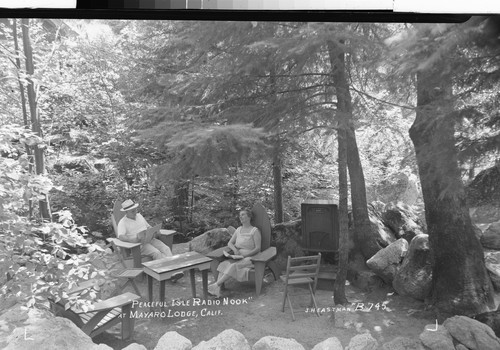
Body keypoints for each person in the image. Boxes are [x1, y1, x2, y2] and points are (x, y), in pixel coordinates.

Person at [117, 199, 183, 281]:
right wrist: (133, 238)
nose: (135, 213)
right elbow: (121, 237)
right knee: (157, 253)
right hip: (139, 244)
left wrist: (155, 231)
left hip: (151, 239)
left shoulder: (139, 216)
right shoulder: (122, 222)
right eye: (132, 211)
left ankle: (175, 271)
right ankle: (168, 274)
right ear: (126, 212)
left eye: (135, 210)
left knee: (166, 248)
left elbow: (148, 227)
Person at [208, 209, 262, 297]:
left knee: (233, 266)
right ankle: (216, 291)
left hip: (251, 257)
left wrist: (245, 255)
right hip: (238, 256)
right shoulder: (238, 229)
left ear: (249, 217)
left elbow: (258, 248)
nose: (240, 216)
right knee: (223, 264)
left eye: (243, 215)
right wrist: (235, 250)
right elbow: (229, 243)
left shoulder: (254, 231)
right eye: (240, 215)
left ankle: (215, 285)